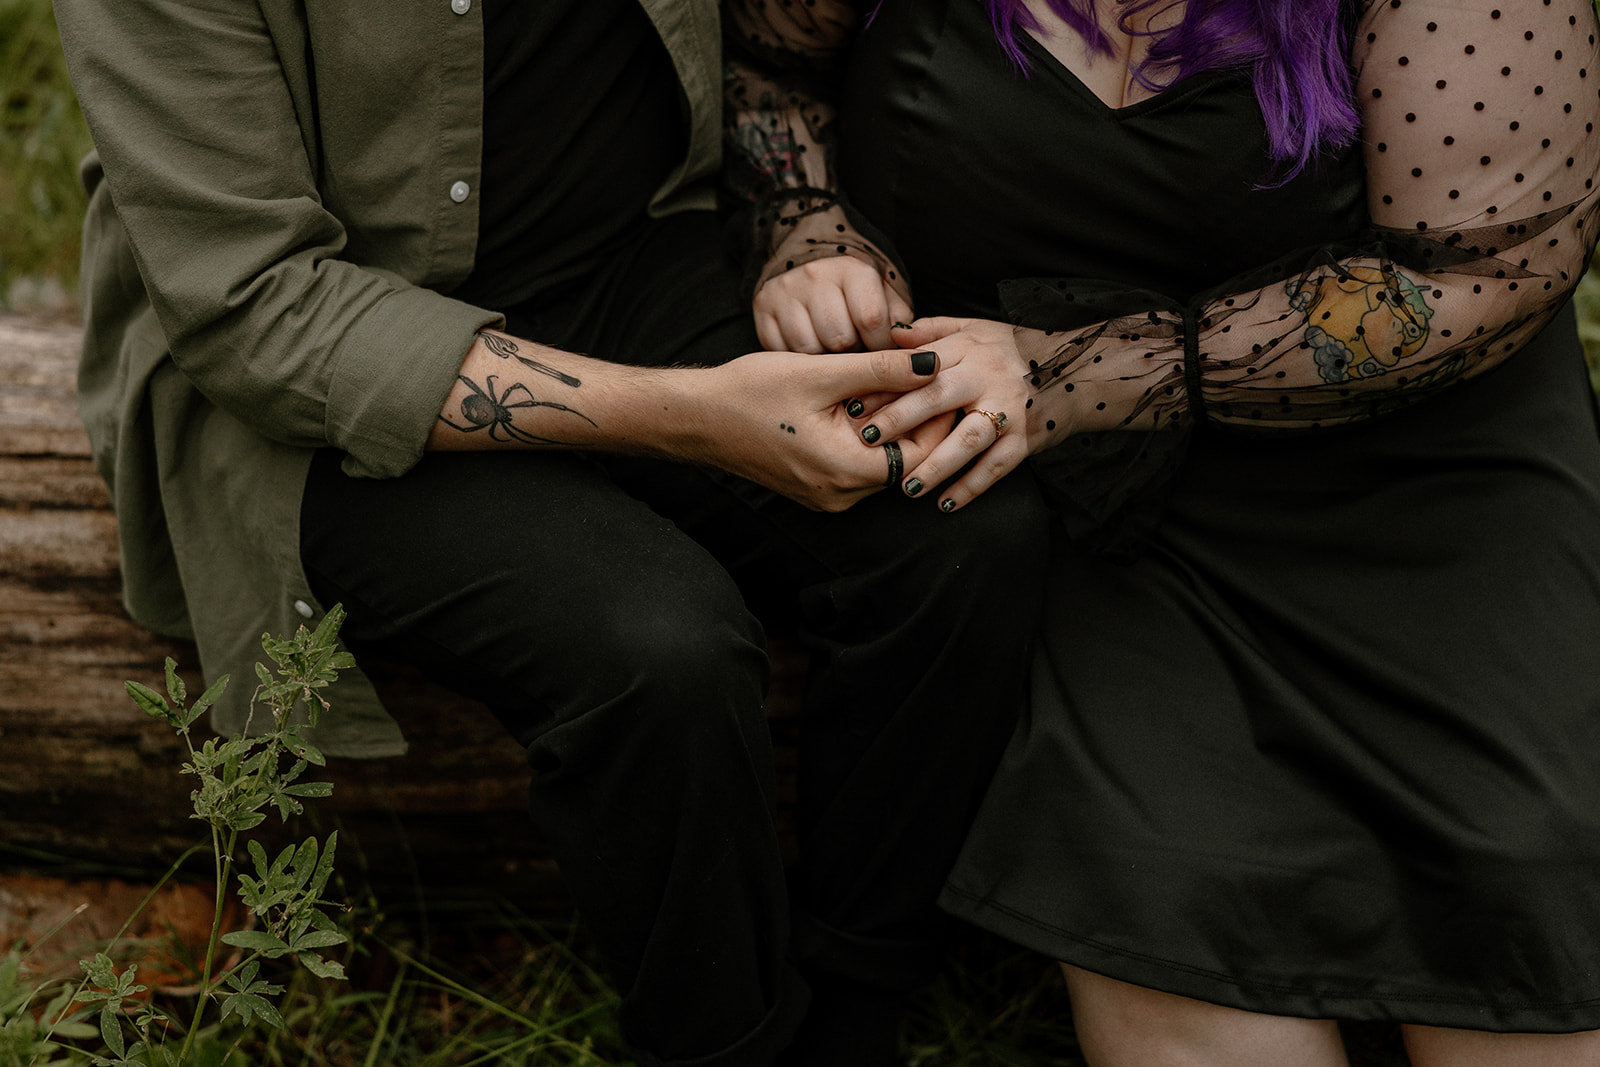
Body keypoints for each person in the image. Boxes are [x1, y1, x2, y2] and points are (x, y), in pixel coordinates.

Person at [53, 1, 1056, 1064]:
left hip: (635, 256)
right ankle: (725, 1041)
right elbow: (252, 308)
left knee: (961, 529)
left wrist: (802, 226)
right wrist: (696, 417)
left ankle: (856, 1008)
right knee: (655, 647)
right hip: (325, 360)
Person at [731, 0, 1600, 1063]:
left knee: (1516, 922)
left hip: (1421, 487)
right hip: (1116, 515)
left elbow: (1474, 275)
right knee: (1192, 944)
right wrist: (805, 220)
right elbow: (766, 67)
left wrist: (1083, 373)